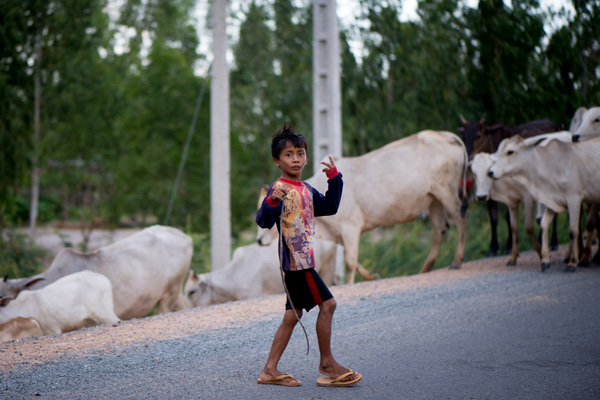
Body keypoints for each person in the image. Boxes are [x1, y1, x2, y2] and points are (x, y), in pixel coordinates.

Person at [255, 124, 362, 387]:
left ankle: (269, 369)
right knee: (328, 305)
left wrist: (334, 178)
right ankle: (327, 364)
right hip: (296, 264)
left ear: (306, 157)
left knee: (293, 315)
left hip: (303, 261)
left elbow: (330, 206)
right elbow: (262, 221)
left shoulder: (305, 189)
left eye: (300, 153)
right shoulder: (278, 188)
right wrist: (271, 202)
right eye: (289, 154)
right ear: (277, 160)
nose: (295, 159)